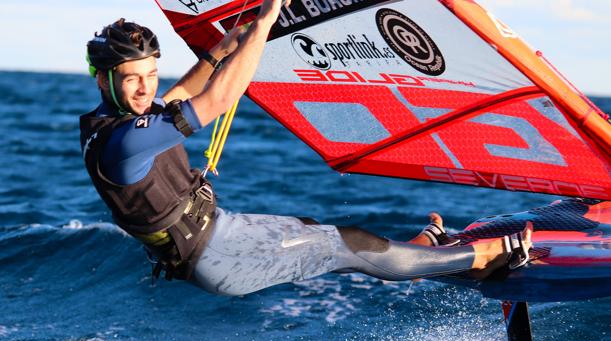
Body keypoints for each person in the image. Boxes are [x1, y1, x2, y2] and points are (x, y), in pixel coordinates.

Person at [79, 0, 532, 296]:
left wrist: (224, 47)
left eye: (150, 73)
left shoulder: (115, 123)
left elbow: (175, 99)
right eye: (131, 77)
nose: (144, 88)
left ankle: (421, 255)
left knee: (319, 230)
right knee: (352, 244)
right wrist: (266, 21)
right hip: (219, 256)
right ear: (103, 78)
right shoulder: (126, 141)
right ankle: (484, 258)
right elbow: (216, 100)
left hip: (221, 233)